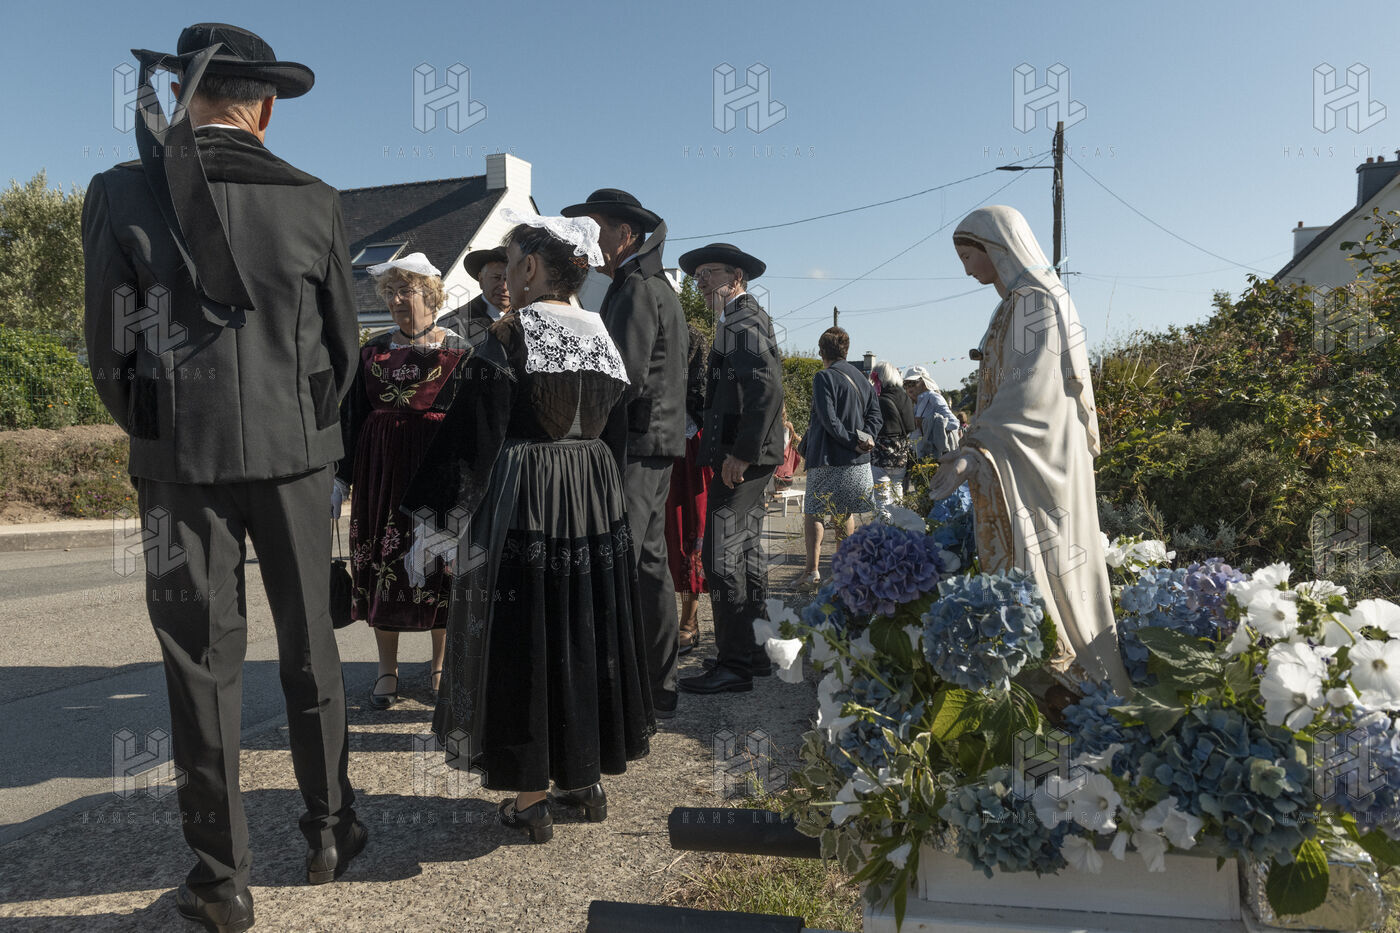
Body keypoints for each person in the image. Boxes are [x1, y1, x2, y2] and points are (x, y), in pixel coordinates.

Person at [82, 23, 364, 930]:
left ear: (183, 94)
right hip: (296, 457)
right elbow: (344, 349)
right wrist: (307, 432)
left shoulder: (122, 190)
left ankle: (221, 879)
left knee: (199, 663)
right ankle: (330, 828)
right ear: (266, 109)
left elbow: (109, 348)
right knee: (311, 645)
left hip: (180, 460)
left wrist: (159, 427)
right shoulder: (315, 200)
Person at [401, 209, 654, 844]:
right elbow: (618, 435)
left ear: (533, 267)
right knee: (583, 627)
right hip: (592, 500)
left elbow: (473, 436)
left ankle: (532, 796)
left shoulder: (510, 335)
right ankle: (584, 781)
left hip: (527, 498)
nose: (507, 275)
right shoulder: (602, 336)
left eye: (513, 263)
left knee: (526, 632)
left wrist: (435, 522)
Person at [928, 204, 1131, 696]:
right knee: (1045, 565)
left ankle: (1067, 680)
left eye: (968, 256)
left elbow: (1029, 392)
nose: (966, 269)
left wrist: (973, 449)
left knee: (1053, 560)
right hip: (1029, 455)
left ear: (997, 246)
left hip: (1041, 460)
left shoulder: (1034, 301)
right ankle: (1046, 679)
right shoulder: (1019, 301)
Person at [561, 188, 688, 718]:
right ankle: (656, 683)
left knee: (623, 562)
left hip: (636, 442)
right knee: (649, 564)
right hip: (652, 442)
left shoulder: (637, 288)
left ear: (625, 234)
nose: (588, 239)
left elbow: (625, 376)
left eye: (596, 228)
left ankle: (626, 688)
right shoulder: (644, 284)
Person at [335, 253, 469, 709]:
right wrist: (341, 478)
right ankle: (386, 668)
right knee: (382, 567)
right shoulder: (372, 351)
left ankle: (439, 665)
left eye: (404, 291)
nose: (395, 300)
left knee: (439, 569)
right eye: (389, 292)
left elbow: (472, 422)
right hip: (381, 476)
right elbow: (352, 417)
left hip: (436, 472)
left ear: (430, 294)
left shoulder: (459, 351)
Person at [675, 243, 786, 695]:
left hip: (743, 459)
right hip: (752, 456)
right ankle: (754, 654)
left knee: (722, 559)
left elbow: (765, 387)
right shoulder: (738, 317)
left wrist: (741, 452)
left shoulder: (741, 319)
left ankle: (734, 664)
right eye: (697, 274)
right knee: (746, 554)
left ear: (735, 277)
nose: (701, 281)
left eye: (710, 272)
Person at [799, 327, 882, 585]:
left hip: (827, 457)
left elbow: (828, 419)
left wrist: (851, 442)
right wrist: (865, 439)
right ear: (846, 350)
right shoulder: (863, 379)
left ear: (821, 351)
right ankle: (842, 571)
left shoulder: (823, 377)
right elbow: (876, 416)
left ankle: (811, 571)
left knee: (814, 512)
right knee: (844, 513)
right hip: (857, 463)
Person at [665, 322, 712, 656]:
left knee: (690, 533)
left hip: (690, 449)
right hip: (656, 448)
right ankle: (661, 618)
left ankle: (689, 620)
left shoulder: (701, 393)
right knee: (662, 536)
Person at [437, 246, 510, 347]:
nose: (504, 287)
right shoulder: (452, 324)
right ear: (481, 280)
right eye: (496, 278)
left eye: (510, 279)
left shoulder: (527, 319)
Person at [870, 360, 915, 504]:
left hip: (881, 454)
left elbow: (873, 426)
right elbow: (910, 426)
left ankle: (883, 519)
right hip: (901, 453)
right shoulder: (906, 397)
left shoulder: (880, 399)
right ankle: (897, 518)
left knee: (882, 495)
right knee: (897, 490)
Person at [904, 365, 960, 460]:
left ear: (924, 383)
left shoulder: (934, 397)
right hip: (920, 457)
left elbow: (954, 423)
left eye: (912, 383)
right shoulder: (916, 404)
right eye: (906, 384)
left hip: (935, 457)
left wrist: (925, 422)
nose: (909, 388)